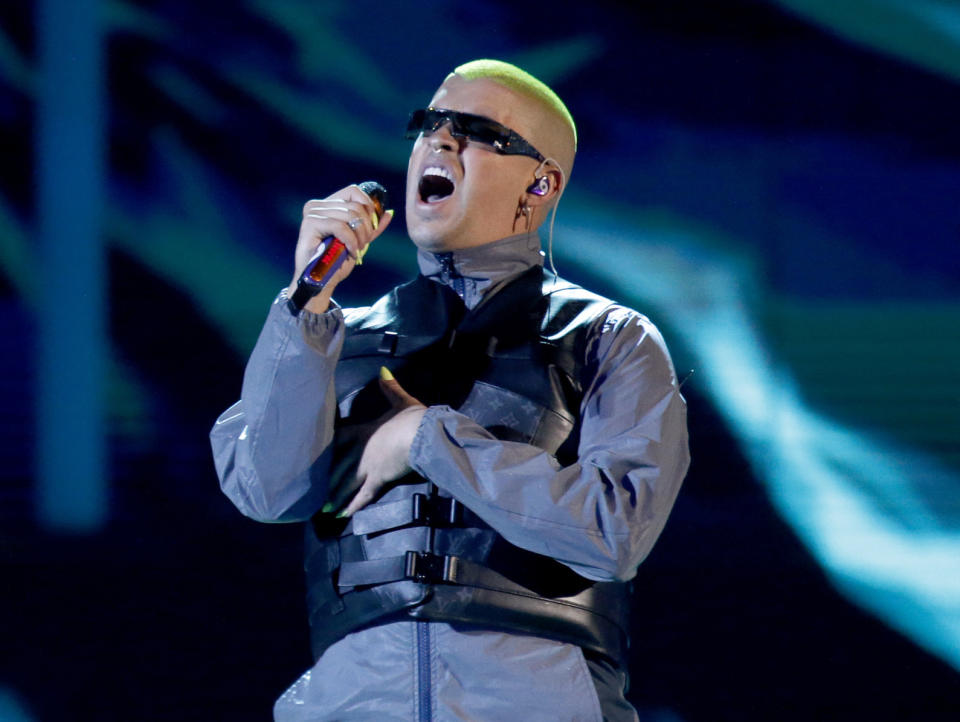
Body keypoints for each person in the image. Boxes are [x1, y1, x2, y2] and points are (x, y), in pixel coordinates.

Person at [211, 59, 689, 721]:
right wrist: (304, 303)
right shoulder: (332, 337)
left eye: (473, 131)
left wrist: (426, 437)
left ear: (541, 182)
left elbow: (616, 532)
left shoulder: (609, 338)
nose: (439, 143)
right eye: (430, 126)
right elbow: (265, 488)